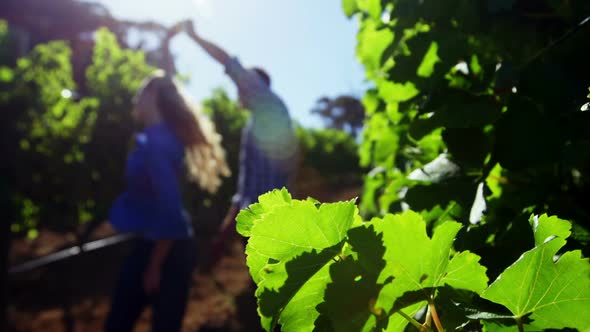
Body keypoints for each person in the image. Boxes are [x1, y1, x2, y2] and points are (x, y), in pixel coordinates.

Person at [104, 25, 230, 332]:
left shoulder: (158, 143)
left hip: (164, 249)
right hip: (157, 244)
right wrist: (167, 46)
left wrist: (154, 266)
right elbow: (167, 82)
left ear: (153, 97)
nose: (135, 97)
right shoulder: (158, 137)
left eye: (141, 91)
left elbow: (171, 215)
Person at [182, 20, 298, 260]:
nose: (238, 89)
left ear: (255, 86)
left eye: (245, 83)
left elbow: (229, 63)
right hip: (261, 219)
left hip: (273, 220)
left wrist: (194, 36)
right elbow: (246, 188)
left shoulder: (269, 106)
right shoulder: (254, 124)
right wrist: (225, 231)